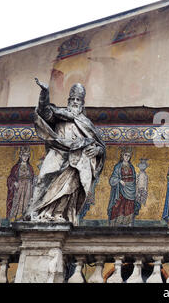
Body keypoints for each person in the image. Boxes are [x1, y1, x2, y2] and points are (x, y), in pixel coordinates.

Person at [25, 78, 106, 225]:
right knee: (44, 179)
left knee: (69, 188)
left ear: (82, 104)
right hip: (58, 153)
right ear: (68, 101)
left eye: (78, 100)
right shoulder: (58, 115)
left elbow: (100, 145)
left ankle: (57, 214)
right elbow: (44, 112)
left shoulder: (86, 123)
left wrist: (97, 150)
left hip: (76, 161)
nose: (75, 102)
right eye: (72, 99)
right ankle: (39, 212)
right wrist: (45, 93)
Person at [107, 147, 138, 226]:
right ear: (122, 155)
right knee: (119, 205)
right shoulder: (118, 167)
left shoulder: (131, 167)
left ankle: (128, 223)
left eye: (129, 156)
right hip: (121, 189)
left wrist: (135, 182)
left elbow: (134, 177)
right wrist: (119, 181)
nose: (127, 157)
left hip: (130, 189)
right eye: (126, 155)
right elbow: (112, 179)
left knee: (129, 206)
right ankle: (116, 223)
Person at [6, 146, 34, 221]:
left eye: (27, 156)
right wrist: (14, 182)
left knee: (26, 203)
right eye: (24, 155)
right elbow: (10, 178)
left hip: (28, 188)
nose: (25, 157)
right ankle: (16, 218)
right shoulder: (16, 167)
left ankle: (26, 217)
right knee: (17, 203)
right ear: (20, 156)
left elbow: (33, 179)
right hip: (19, 188)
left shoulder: (30, 167)